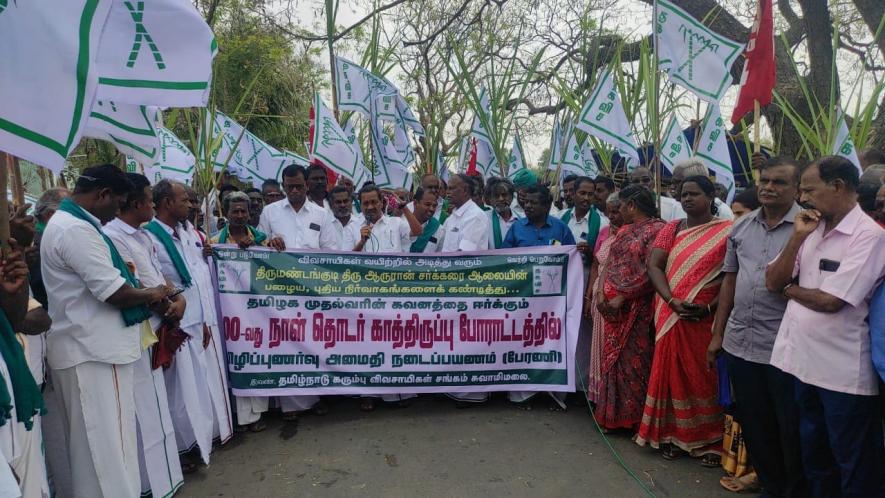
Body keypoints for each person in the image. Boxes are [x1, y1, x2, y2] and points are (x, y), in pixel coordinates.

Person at [41, 164, 172, 497]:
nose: (118, 211)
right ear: (102, 195)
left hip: (89, 350)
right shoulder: (75, 230)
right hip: (93, 353)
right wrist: (155, 293)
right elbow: (115, 293)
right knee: (108, 454)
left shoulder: (73, 224)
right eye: (117, 203)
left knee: (98, 452)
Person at [765, 155, 885, 497]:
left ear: (838, 186)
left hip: (842, 374)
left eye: (809, 190)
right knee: (816, 458)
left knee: (854, 464)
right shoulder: (812, 229)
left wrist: (791, 290)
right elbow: (773, 280)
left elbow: (833, 301)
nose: (803, 198)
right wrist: (797, 239)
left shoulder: (870, 237)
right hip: (801, 365)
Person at [707, 157, 806, 496]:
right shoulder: (741, 226)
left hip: (785, 348)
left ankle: (792, 489)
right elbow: (729, 281)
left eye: (779, 182)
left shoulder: (809, 229)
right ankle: (771, 486)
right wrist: (718, 334)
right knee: (754, 422)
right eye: (765, 181)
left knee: (788, 427)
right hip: (740, 342)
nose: (768, 187)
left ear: (796, 189)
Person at [637, 175, 732, 464]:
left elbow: (731, 278)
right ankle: (673, 436)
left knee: (704, 375)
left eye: (694, 193)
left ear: (711, 195)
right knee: (671, 373)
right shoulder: (672, 228)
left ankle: (712, 440)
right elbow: (654, 265)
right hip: (671, 312)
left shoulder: (728, 231)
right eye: (683, 194)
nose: (687, 199)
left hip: (706, 318)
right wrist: (670, 300)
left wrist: (707, 309)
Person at [104, 173, 186, 497]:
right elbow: (136, 286)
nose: (153, 203)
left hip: (159, 325)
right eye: (150, 199)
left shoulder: (143, 236)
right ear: (136, 202)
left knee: (158, 407)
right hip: (139, 331)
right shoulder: (113, 236)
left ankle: (167, 477)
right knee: (141, 412)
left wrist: (178, 299)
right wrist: (166, 300)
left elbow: (161, 277)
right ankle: (148, 486)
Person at [145, 180, 218, 469]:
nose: (190, 204)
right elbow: (158, 280)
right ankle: (180, 449)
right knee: (176, 392)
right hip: (172, 322)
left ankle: (196, 443)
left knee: (193, 387)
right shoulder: (150, 236)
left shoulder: (183, 232)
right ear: (166, 203)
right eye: (184, 200)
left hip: (194, 318)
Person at [258, 165, 335, 417]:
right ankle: (290, 404)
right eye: (288, 186)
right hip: (280, 291)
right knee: (287, 343)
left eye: (298, 186)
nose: (294, 191)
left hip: (313, 291)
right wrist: (269, 242)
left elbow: (330, 251)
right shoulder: (270, 212)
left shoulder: (321, 214)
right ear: (283, 186)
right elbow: (259, 244)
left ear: (307, 185)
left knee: (315, 341)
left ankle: (316, 396)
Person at [593, 186, 664, 431]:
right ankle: (612, 417)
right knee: (612, 362)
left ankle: (634, 421)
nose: (618, 210)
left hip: (637, 309)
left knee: (635, 363)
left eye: (621, 206)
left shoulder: (657, 230)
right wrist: (601, 292)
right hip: (610, 311)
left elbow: (651, 271)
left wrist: (622, 296)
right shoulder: (623, 231)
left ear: (632, 205)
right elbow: (610, 263)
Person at [501, 184, 575, 408]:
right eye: (526, 202)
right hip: (523, 300)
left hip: (553, 302)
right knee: (524, 342)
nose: (528, 206)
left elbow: (573, 262)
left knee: (552, 343)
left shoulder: (561, 229)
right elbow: (503, 260)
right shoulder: (516, 229)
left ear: (547, 205)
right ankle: (523, 393)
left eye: (534, 202)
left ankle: (552, 392)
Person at [440, 173, 492, 405]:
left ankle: (474, 391)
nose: (448, 192)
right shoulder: (452, 217)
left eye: (453, 188)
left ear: (467, 192)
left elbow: (465, 256)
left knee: (469, 338)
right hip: (450, 287)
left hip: (467, 287)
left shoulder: (475, 217)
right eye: (448, 188)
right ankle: (456, 386)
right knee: (455, 339)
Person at [586, 193, 622, 403]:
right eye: (609, 212)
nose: (612, 217)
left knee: (611, 349)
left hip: (616, 299)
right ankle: (599, 396)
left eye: (616, 212)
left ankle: (611, 398)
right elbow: (595, 264)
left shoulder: (629, 234)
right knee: (597, 346)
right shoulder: (604, 231)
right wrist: (590, 292)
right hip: (599, 295)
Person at [321, 186, 364, 251]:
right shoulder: (325, 224)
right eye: (338, 202)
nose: (343, 205)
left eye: (346, 201)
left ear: (351, 202)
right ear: (331, 204)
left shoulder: (361, 224)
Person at [408, 187, 444, 253]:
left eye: (434, 206)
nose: (431, 209)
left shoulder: (439, 229)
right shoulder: (401, 223)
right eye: (427, 204)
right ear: (415, 203)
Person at [486, 178, 519, 249]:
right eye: (496, 196)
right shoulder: (483, 219)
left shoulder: (523, 218)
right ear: (490, 199)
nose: (501, 199)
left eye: (504, 195)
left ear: (512, 197)